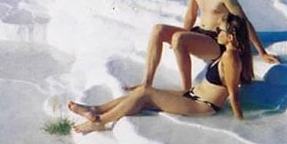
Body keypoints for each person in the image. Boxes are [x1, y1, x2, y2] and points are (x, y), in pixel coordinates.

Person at [69, 13, 253, 134]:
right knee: (143, 94)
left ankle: (100, 121)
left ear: (230, 37)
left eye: (219, 30)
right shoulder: (227, 53)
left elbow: (233, 95)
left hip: (202, 105)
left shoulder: (231, 58)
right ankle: (96, 109)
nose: (216, 31)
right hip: (193, 95)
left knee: (145, 93)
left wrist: (240, 125)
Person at [132, 0, 279, 92]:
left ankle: (186, 91)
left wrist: (262, 52)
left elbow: (242, 20)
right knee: (158, 29)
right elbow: (191, 14)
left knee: (179, 39)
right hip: (201, 33)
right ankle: (146, 83)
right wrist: (184, 33)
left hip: (218, 41)